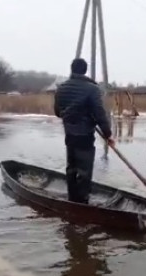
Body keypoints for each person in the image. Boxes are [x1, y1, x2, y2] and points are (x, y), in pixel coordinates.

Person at [54, 58, 114, 204]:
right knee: (84, 171)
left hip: (69, 134)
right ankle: (82, 202)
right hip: (85, 135)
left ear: (72, 69)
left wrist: (71, 117)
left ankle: (71, 198)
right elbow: (100, 113)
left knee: (71, 168)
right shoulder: (92, 89)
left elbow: (57, 112)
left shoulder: (61, 88)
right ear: (85, 70)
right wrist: (107, 134)